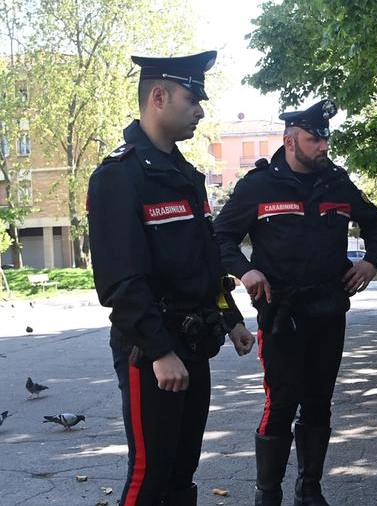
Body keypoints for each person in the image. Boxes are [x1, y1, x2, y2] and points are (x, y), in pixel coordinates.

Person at [87, 51, 256, 506]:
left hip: (194, 343)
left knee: (183, 470)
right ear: (158, 96)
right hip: (152, 351)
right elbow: (120, 283)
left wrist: (231, 318)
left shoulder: (185, 176)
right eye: (192, 97)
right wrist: (160, 351)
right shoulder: (117, 178)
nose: (200, 110)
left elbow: (204, 266)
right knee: (150, 474)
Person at [213, 100, 377, 506]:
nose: (324, 146)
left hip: (328, 310)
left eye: (326, 138)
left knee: (318, 403)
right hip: (282, 314)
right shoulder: (258, 186)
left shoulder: (338, 183)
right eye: (315, 139)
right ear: (290, 141)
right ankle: (268, 494)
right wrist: (246, 271)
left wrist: (369, 262)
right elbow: (218, 237)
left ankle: (309, 489)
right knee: (281, 403)